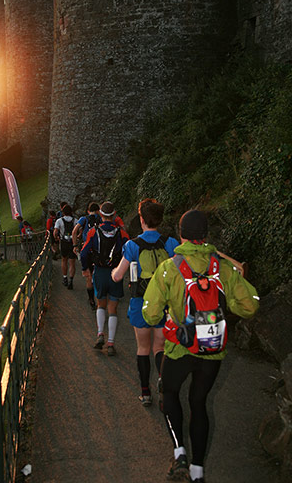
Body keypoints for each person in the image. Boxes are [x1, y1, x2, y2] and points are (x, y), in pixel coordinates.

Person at [142, 209, 260, 483]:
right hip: (212, 350)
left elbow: (150, 314)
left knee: (169, 393)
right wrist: (225, 307)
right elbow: (250, 305)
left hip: (179, 349)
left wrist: (168, 314)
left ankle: (179, 452)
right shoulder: (224, 269)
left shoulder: (169, 268)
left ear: (181, 234)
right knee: (199, 402)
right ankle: (197, 471)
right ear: (206, 236)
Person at [112, 199, 179, 406]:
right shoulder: (170, 243)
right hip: (164, 304)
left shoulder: (132, 245)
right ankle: (163, 381)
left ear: (141, 220)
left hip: (141, 304)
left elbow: (117, 276)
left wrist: (114, 271)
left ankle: (145, 393)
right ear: (160, 220)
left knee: (143, 348)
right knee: (160, 348)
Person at [80, 201, 129, 355]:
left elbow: (83, 253)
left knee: (101, 304)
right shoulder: (121, 233)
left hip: (100, 272)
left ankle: (100, 334)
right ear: (114, 215)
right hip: (115, 273)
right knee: (113, 308)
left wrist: (85, 268)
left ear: (101, 215)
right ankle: (111, 344)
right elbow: (129, 250)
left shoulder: (93, 232)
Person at [72, 202, 101, 309]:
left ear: (89, 210)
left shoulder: (84, 219)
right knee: (98, 275)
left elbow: (74, 231)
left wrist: (75, 245)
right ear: (98, 210)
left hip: (87, 249)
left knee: (88, 276)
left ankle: (91, 300)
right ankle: (100, 303)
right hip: (98, 251)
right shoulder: (101, 219)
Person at [54, 204, 77, 289]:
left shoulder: (59, 221)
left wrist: (56, 238)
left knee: (64, 260)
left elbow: (55, 232)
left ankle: (65, 278)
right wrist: (77, 237)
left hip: (64, 242)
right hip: (72, 242)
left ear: (63, 212)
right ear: (71, 212)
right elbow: (80, 230)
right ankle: (71, 280)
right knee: (72, 263)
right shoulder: (75, 220)